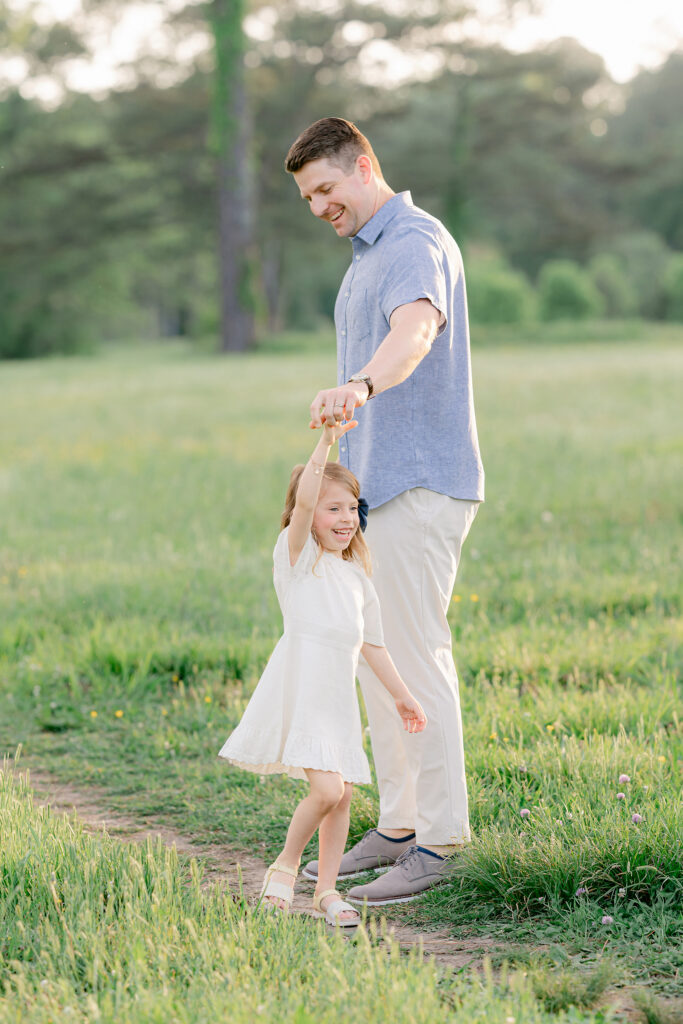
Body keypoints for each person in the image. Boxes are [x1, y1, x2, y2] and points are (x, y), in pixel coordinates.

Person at [284, 117, 485, 906]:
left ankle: (440, 841)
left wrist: (361, 385)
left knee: (415, 658)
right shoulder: (368, 253)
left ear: (363, 166)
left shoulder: (410, 242)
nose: (318, 206)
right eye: (307, 198)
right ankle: (400, 824)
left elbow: (416, 331)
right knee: (378, 660)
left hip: (418, 485)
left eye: (326, 189)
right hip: (374, 492)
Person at [218, 415, 427, 926]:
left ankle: (327, 892)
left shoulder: (357, 577)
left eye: (352, 508)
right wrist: (327, 441)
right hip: (302, 690)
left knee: (345, 794)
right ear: (307, 518)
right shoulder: (297, 560)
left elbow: (373, 647)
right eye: (333, 508)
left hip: (336, 698)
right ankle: (285, 867)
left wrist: (402, 695)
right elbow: (306, 498)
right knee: (328, 790)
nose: (345, 517)